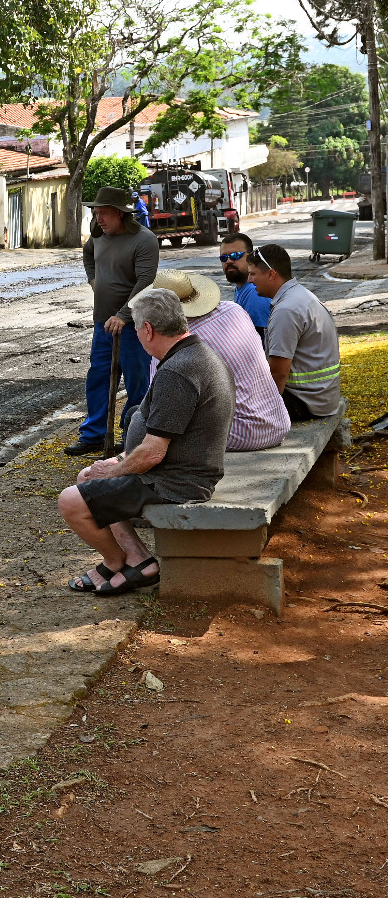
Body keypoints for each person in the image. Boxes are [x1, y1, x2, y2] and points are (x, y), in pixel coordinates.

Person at [60, 288, 234, 596]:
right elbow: (161, 432)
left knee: (71, 501)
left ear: (149, 329)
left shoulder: (179, 371)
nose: (137, 335)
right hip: (175, 469)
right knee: (86, 477)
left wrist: (115, 471)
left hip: (176, 481)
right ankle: (139, 560)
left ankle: (115, 561)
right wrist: (119, 460)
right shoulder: (191, 354)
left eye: (137, 328)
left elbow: (153, 453)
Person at [143, 270, 289, 451]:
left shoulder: (176, 341)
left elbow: (157, 408)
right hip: (278, 421)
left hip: (243, 433)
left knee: (139, 421)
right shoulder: (233, 309)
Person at [68, 186, 161, 456]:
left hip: (135, 327)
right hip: (102, 324)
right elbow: (87, 255)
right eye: (96, 213)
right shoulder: (98, 236)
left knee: (136, 381)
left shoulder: (144, 240)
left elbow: (145, 282)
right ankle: (94, 435)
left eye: (105, 213)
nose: (99, 219)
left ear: (121, 214)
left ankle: (130, 435)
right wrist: (93, 280)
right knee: (98, 378)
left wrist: (123, 316)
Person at [249, 243, 342, 421]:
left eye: (253, 274)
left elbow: (278, 374)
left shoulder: (286, 310)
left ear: (271, 274)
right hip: (322, 398)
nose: (249, 280)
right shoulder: (299, 295)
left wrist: (268, 416)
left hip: (306, 403)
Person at [218, 231, 271, 339]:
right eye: (223, 257)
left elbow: (262, 342)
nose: (228, 261)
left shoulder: (255, 292)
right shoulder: (242, 286)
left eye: (235, 255)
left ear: (251, 256)